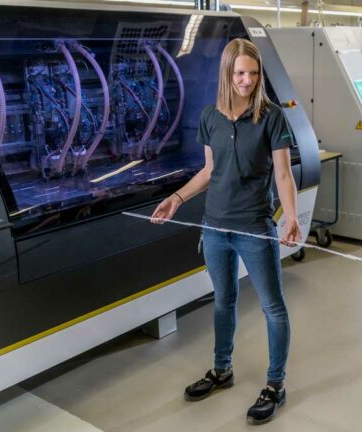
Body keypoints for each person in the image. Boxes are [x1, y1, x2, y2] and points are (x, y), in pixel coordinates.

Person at [150, 38, 300, 425]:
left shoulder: (271, 117)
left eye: (252, 73)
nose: (247, 80)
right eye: (239, 73)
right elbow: (209, 171)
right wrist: (177, 199)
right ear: (227, 74)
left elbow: (282, 173)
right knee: (223, 300)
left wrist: (292, 217)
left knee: (272, 307)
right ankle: (222, 370)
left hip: (254, 228)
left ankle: (275, 385)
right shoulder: (209, 117)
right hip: (214, 226)